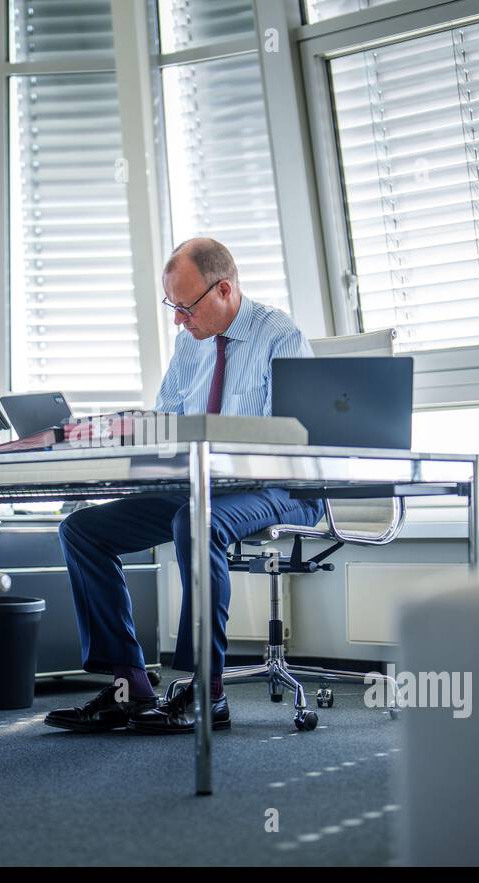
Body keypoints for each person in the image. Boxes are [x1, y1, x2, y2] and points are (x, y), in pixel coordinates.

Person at [45, 237, 324, 734]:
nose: (178, 319)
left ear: (223, 290)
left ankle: (207, 689)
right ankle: (129, 686)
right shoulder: (188, 343)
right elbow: (169, 420)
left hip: (284, 489)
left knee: (194, 522)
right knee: (83, 529)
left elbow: (285, 441)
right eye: (172, 307)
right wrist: (127, 434)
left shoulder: (280, 336)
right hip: (201, 486)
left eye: (185, 307)